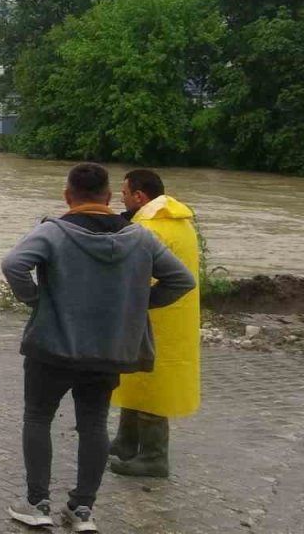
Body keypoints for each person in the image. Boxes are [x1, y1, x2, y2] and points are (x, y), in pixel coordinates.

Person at [1, 164, 195, 532]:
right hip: (107, 349)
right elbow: (182, 279)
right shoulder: (140, 238)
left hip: (52, 346)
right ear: (108, 198)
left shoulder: (53, 233)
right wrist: (137, 303)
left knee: (38, 417)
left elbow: (13, 265)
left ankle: (37, 502)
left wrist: (38, 301)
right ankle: (82, 510)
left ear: (67, 196)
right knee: (93, 424)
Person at [109, 169, 201, 478]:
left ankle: (153, 457)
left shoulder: (148, 227)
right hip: (176, 318)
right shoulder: (179, 222)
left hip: (153, 317)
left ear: (139, 196)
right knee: (138, 379)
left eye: (124, 194)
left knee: (151, 385)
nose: (120, 198)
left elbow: (129, 275)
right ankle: (126, 441)